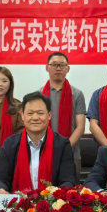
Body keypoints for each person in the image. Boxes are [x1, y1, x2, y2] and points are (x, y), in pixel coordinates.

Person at [0, 92, 76, 194]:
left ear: (49, 115)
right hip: (17, 202)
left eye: (40, 113)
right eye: (30, 113)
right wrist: (2, 192)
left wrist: (54, 198)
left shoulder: (62, 145)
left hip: (52, 202)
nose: (35, 118)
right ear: (22, 116)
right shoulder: (10, 144)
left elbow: (68, 181)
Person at [39, 52, 86, 180]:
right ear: (47, 67)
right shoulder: (38, 95)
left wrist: (64, 148)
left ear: (68, 68)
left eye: (62, 65)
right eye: (54, 65)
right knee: (44, 190)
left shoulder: (77, 94)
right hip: (43, 152)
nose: (58, 68)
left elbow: (80, 127)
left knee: (71, 190)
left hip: (71, 153)